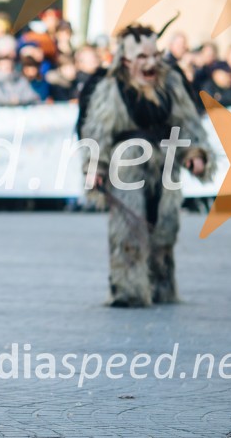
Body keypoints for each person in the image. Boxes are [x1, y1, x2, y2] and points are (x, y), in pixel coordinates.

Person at [80, 22, 214, 307]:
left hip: (165, 163)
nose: (150, 63)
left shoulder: (172, 84)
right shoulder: (110, 88)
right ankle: (127, 289)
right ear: (126, 59)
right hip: (127, 165)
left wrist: (195, 153)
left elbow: (188, 122)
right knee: (129, 228)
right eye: (142, 57)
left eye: (154, 55)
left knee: (165, 227)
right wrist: (95, 166)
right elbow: (97, 132)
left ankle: (160, 285)